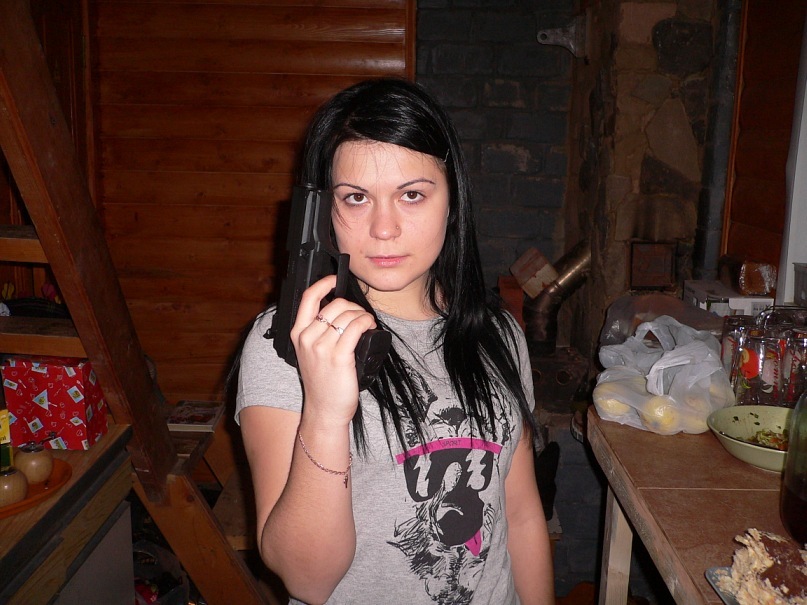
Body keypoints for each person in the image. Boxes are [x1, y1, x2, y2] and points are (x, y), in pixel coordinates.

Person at [235, 77, 554, 605]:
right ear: (324, 209)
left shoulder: (498, 333)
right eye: (356, 198)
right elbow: (307, 580)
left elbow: (519, 515)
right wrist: (326, 413)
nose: (384, 228)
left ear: (452, 200)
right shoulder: (290, 343)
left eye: (411, 195)